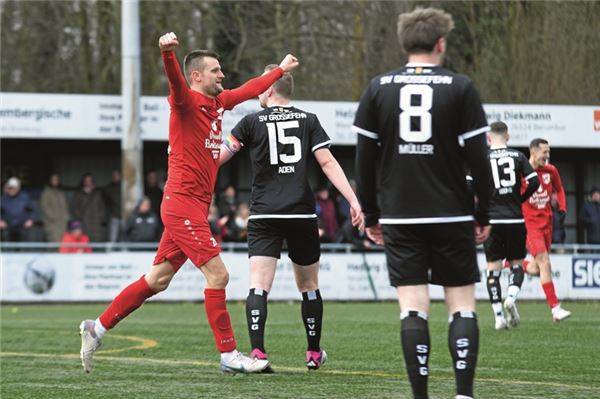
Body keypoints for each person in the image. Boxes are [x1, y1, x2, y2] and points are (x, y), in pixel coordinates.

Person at [78, 31, 299, 374]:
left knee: (158, 280)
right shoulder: (184, 101)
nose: (222, 75)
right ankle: (228, 355)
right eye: (215, 70)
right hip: (181, 205)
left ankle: (97, 327)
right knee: (219, 275)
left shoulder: (218, 102)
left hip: (192, 207)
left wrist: (279, 70)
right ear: (196, 76)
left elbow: (250, 89)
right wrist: (166, 53)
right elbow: (174, 81)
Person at [353, 8, 492, 399]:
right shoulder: (461, 86)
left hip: (400, 214)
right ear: (441, 43)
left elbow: (364, 159)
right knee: (462, 305)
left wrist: (371, 213)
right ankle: (464, 394)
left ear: (404, 43)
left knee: (413, 307)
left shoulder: (378, 87)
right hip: (452, 212)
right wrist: (483, 212)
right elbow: (479, 158)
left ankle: (421, 396)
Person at [220, 64, 363, 371]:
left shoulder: (249, 121)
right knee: (309, 285)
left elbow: (219, 157)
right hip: (300, 212)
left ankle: (257, 353)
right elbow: (327, 163)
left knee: (258, 285)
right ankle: (313, 353)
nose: (258, 88)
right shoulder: (308, 120)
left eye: (262, 84)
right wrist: (353, 200)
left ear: (270, 88)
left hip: (263, 212)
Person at [483, 122, 539, 330]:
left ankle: (498, 317)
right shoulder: (518, 156)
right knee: (517, 264)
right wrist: (520, 199)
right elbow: (534, 182)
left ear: (489, 138)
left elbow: (469, 186)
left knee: (493, 270)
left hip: (493, 221)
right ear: (508, 137)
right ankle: (511, 297)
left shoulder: (482, 157)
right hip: (515, 219)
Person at [522, 138, 571, 321]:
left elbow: (559, 188)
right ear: (533, 152)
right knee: (545, 262)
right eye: (545, 152)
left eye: (548, 152)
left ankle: (510, 263)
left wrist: (563, 207)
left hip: (547, 224)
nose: (547, 156)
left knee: (536, 267)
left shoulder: (551, 171)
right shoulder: (522, 173)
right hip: (530, 225)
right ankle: (555, 308)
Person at [71, 173, 107, 243]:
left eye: (90, 180)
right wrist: (80, 217)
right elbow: (74, 207)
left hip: (96, 224)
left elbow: (102, 206)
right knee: (86, 244)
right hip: (85, 223)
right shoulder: (78, 194)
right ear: (83, 182)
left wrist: (101, 218)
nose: (88, 182)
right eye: (86, 181)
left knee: (97, 243)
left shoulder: (97, 194)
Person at [0, 177, 37, 242]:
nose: (11, 190)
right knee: (8, 248)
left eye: (13, 188)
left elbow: (33, 210)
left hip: (22, 228)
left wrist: (30, 220)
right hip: (7, 228)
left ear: (18, 188)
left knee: (23, 248)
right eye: (10, 188)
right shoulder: (3, 198)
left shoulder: (25, 197)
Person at [40, 173, 71, 243]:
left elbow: (65, 206)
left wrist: (66, 217)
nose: (56, 181)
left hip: (63, 223)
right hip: (52, 224)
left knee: (64, 243)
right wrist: (54, 217)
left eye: (57, 179)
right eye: (54, 179)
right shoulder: (46, 192)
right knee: (53, 243)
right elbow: (45, 207)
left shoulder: (61, 192)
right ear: (50, 181)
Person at [103, 170, 122, 243]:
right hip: (114, 216)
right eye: (114, 176)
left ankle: (124, 253)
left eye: (117, 175)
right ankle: (110, 252)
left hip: (125, 217)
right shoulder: (109, 188)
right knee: (112, 237)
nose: (116, 177)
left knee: (123, 237)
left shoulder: (125, 187)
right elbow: (105, 203)